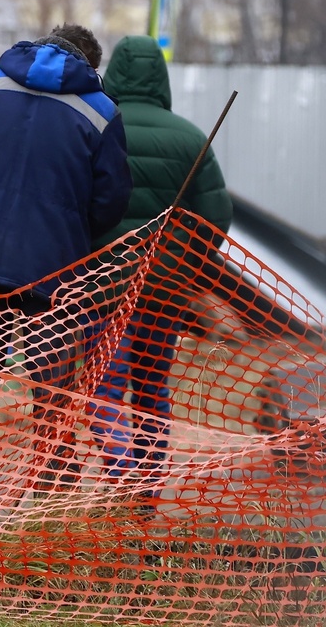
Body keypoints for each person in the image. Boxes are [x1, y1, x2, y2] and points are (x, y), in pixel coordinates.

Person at [0, 31, 133, 529]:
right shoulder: (100, 111)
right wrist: (69, 226)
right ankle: (48, 514)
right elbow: (110, 202)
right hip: (54, 267)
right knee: (52, 390)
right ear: (87, 65)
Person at [88, 35, 232, 496]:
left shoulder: (98, 124)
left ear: (114, 73)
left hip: (104, 287)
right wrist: (185, 266)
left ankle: (121, 476)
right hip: (163, 289)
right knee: (152, 389)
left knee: (105, 389)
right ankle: (147, 489)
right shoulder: (190, 138)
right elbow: (217, 217)